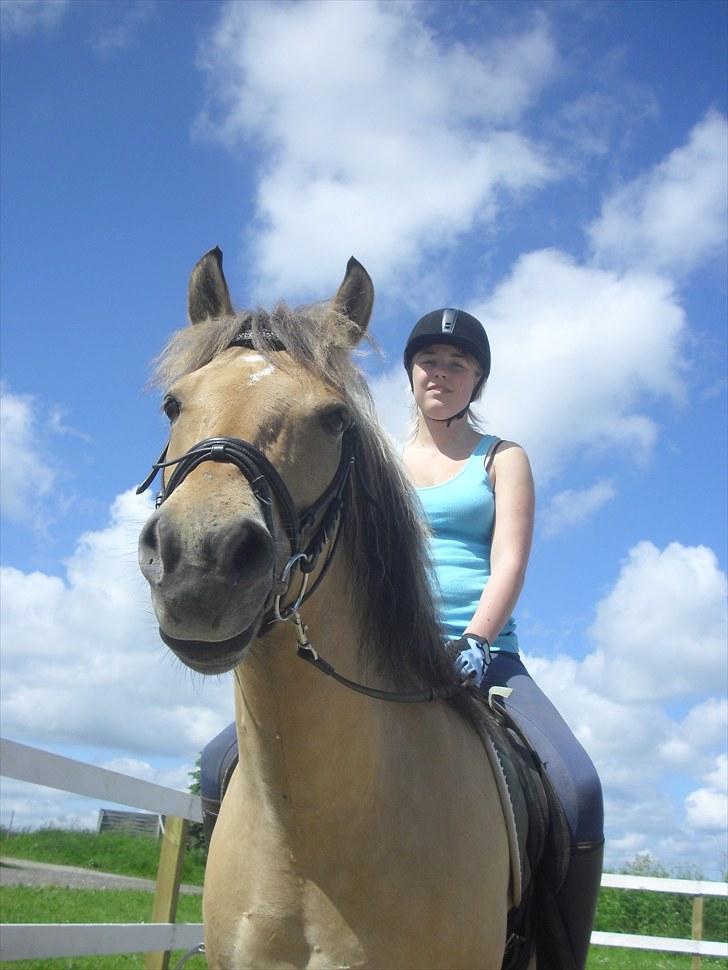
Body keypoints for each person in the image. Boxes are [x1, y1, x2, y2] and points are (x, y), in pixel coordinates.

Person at [402, 308, 604, 970]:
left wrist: (475, 639)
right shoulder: (374, 457)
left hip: (484, 657)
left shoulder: (503, 457)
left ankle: (557, 955)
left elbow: (510, 562)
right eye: (430, 359)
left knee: (578, 787)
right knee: (226, 756)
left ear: (476, 380)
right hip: (386, 652)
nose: (442, 372)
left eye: (458, 364)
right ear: (411, 371)